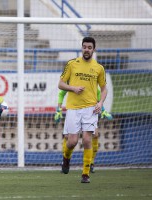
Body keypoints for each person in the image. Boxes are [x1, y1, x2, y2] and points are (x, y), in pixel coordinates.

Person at [58, 37, 107, 183]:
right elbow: (60, 84)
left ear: (94, 49)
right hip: (73, 108)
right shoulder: (72, 64)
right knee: (72, 141)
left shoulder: (99, 68)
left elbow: (104, 89)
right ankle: (66, 159)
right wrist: (73, 88)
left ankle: (85, 174)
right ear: (82, 48)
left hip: (91, 109)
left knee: (87, 139)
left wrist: (101, 102)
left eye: (89, 47)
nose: (86, 49)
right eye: (84, 47)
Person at [54, 89, 113, 173]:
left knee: (95, 135)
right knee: (69, 138)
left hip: (89, 111)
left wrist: (102, 109)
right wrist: (58, 110)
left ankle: (91, 163)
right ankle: (65, 160)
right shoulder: (72, 80)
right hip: (74, 110)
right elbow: (61, 93)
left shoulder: (91, 81)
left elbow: (98, 94)